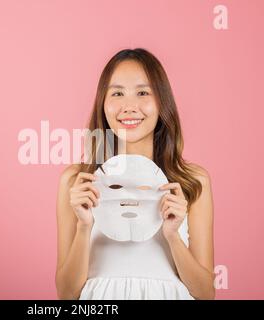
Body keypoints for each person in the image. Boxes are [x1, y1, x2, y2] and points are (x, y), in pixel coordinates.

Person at [55, 48, 215, 300]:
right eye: (117, 93)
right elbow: (66, 294)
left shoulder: (192, 180)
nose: (129, 106)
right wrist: (84, 226)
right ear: (103, 103)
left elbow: (205, 293)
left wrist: (172, 236)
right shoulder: (77, 181)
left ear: (162, 101)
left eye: (143, 92)